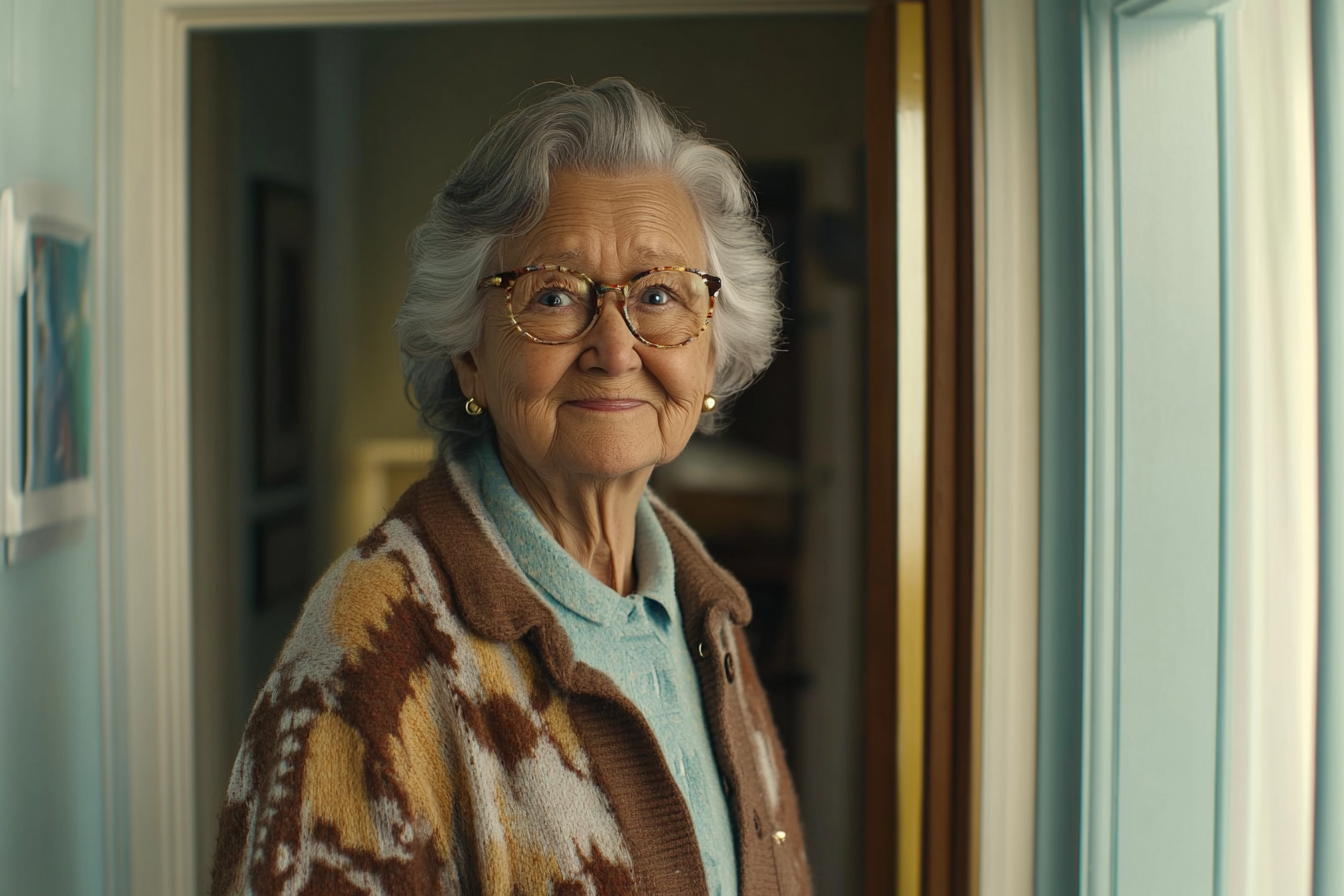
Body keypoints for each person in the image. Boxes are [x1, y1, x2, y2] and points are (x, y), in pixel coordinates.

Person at [210, 78, 811, 896]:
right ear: (469, 356)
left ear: (712, 352)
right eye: (555, 295)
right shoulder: (374, 654)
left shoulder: (703, 605)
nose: (616, 347)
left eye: (659, 294)